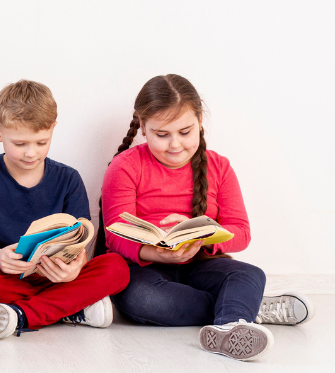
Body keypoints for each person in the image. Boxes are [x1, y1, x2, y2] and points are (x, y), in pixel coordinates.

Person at [102, 74, 313, 361]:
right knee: (144, 300)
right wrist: (158, 253)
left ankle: (232, 323)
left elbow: (241, 232)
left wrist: (203, 237)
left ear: (200, 121)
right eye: (161, 135)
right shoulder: (125, 166)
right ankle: (240, 310)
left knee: (250, 274)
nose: (175, 144)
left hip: (200, 264)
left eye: (185, 132)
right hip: (146, 271)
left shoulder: (219, 167)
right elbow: (115, 236)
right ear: (143, 127)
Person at [0, 80, 128, 339]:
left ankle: (18, 315)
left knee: (117, 267)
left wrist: (74, 270)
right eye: (20, 144)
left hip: (55, 278)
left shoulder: (68, 179)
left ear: (53, 128)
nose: (31, 153)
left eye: (41, 142)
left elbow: (81, 245)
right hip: (2, 278)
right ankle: (69, 308)